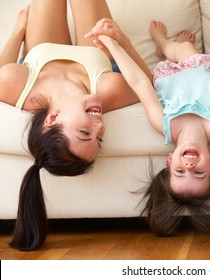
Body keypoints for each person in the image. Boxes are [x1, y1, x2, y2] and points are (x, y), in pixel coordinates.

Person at [0, 0, 151, 251]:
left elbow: (2, 69)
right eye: (98, 138)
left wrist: (18, 31)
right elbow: (147, 84)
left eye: (84, 133)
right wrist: (121, 43)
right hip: (93, 56)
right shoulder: (107, 90)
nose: (99, 127)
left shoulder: (16, 85)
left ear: (51, 120)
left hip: (40, 50)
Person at [94, 20, 210, 237]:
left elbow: (140, 84)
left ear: (170, 161)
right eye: (198, 172)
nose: (189, 165)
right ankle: (172, 45)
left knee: (178, 52)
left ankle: (163, 44)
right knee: (186, 50)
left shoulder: (164, 125)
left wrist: (113, 46)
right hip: (198, 67)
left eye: (180, 171)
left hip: (165, 76)